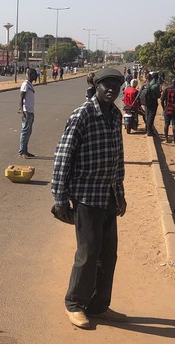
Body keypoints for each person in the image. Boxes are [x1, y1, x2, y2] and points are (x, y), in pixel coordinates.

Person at [51, 68, 128, 329]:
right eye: (106, 85)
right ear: (95, 86)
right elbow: (63, 157)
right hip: (86, 196)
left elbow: (117, 156)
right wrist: (60, 198)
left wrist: (120, 193)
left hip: (107, 195)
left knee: (108, 255)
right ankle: (74, 304)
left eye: (116, 86)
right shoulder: (82, 114)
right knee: (88, 253)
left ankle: (98, 305)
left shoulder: (115, 115)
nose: (111, 90)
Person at [18, 68, 37, 158]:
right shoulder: (25, 84)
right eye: (34, 74)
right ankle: (22, 152)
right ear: (31, 75)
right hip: (26, 111)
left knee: (29, 132)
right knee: (25, 131)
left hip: (30, 111)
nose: (36, 76)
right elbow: (21, 98)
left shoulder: (30, 85)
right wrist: (22, 111)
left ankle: (25, 150)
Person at [160, 78, 175, 143]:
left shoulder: (166, 90)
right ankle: (174, 140)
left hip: (167, 109)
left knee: (166, 124)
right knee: (174, 125)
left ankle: (166, 139)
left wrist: (163, 108)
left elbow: (162, 100)